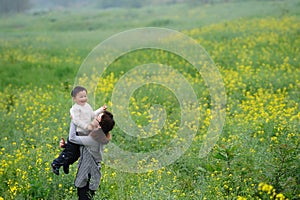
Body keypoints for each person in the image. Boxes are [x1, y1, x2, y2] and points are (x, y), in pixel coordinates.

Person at [51, 86, 106, 175]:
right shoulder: (74, 109)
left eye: (85, 96)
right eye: (81, 97)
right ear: (74, 99)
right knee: (69, 153)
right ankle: (56, 164)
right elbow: (75, 121)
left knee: (76, 155)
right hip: (76, 134)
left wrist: (100, 110)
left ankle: (66, 163)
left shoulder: (87, 107)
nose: (84, 98)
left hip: (82, 135)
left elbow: (92, 115)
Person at [65, 110, 115, 200]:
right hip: (91, 175)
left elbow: (72, 138)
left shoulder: (93, 139)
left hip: (87, 176)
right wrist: (65, 145)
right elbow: (84, 146)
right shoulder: (98, 136)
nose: (93, 118)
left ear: (99, 126)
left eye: (96, 118)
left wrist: (74, 120)